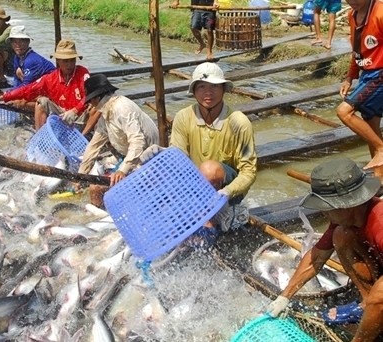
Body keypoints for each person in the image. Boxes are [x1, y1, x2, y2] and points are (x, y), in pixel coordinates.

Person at [267, 158, 383, 341]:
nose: (323, 213)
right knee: (340, 235)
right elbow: (317, 258)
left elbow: (381, 294)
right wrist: (284, 297)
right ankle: (366, 305)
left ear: (348, 204)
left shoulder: (380, 220)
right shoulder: (345, 220)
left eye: (327, 207)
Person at [140, 62, 257, 239]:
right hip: (195, 187)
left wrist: (228, 192)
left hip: (226, 193)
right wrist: (161, 153)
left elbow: (249, 171)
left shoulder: (239, 122)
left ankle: (210, 222)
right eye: (201, 86)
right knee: (154, 171)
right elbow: (177, 158)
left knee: (209, 169)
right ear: (194, 91)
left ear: (224, 89)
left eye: (214, 86)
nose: (208, 92)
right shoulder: (184, 117)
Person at [74, 74, 160, 208]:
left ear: (97, 98)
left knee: (95, 189)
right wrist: (80, 175)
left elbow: (137, 141)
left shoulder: (122, 108)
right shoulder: (107, 113)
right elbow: (94, 146)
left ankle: (101, 218)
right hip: (131, 157)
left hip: (147, 160)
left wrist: (123, 170)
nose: (90, 105)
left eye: (91, 101)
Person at [0, 39, 91, 131]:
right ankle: (39, 136)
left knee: (96, 106)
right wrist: (2, 98)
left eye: (72, 60)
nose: (69, 65)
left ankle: (85, 136)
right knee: (41, 102)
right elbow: (28, 89)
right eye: (65, 61)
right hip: (61, 113)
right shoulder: (51, 78)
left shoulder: (83, 73)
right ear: (58, 61)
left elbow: (90, 95)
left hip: (79, 115)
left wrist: (75, 110)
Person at [336, 0, 383, 182]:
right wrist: (350, 77)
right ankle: (380, 178)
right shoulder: (352, 15)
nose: (352, 1)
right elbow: (357, 50)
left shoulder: (380, 12)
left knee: (344, 111)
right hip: (367, 73)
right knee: (371, 124)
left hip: (380, 74)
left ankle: (381, 149)